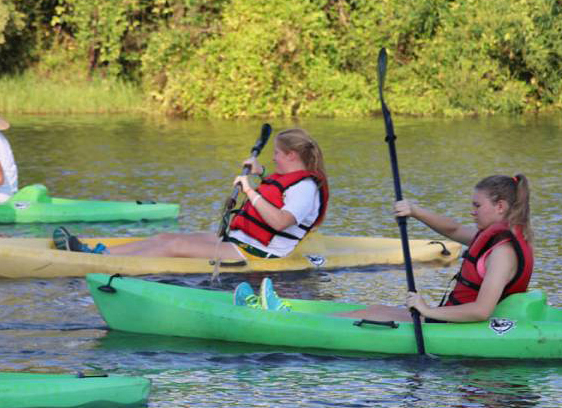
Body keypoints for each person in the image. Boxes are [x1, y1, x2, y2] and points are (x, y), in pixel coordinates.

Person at [54, 128, 328, 260]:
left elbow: (280, 221)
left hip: (256, 254)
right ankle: (97, 253)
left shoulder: (306, 189)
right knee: (166, 237)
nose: (275, 158)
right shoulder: (294, 181)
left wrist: (249, 190)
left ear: (291, 155)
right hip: (239, 241)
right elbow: (280, 190)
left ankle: (95, 262)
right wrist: (260, 171)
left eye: (277, 154)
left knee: (173, 248)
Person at [328, 174, 534, 322]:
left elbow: (481, 311)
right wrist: (414, 211)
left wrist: (427, 310)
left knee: (370, 314)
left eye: (477, 206)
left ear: (500, 206)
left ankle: (312, 327)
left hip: (459, 327)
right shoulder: (494, 240)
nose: (472, 212)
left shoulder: (502, 253)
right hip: (452, 320)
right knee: (374, 309)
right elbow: (453, 229)